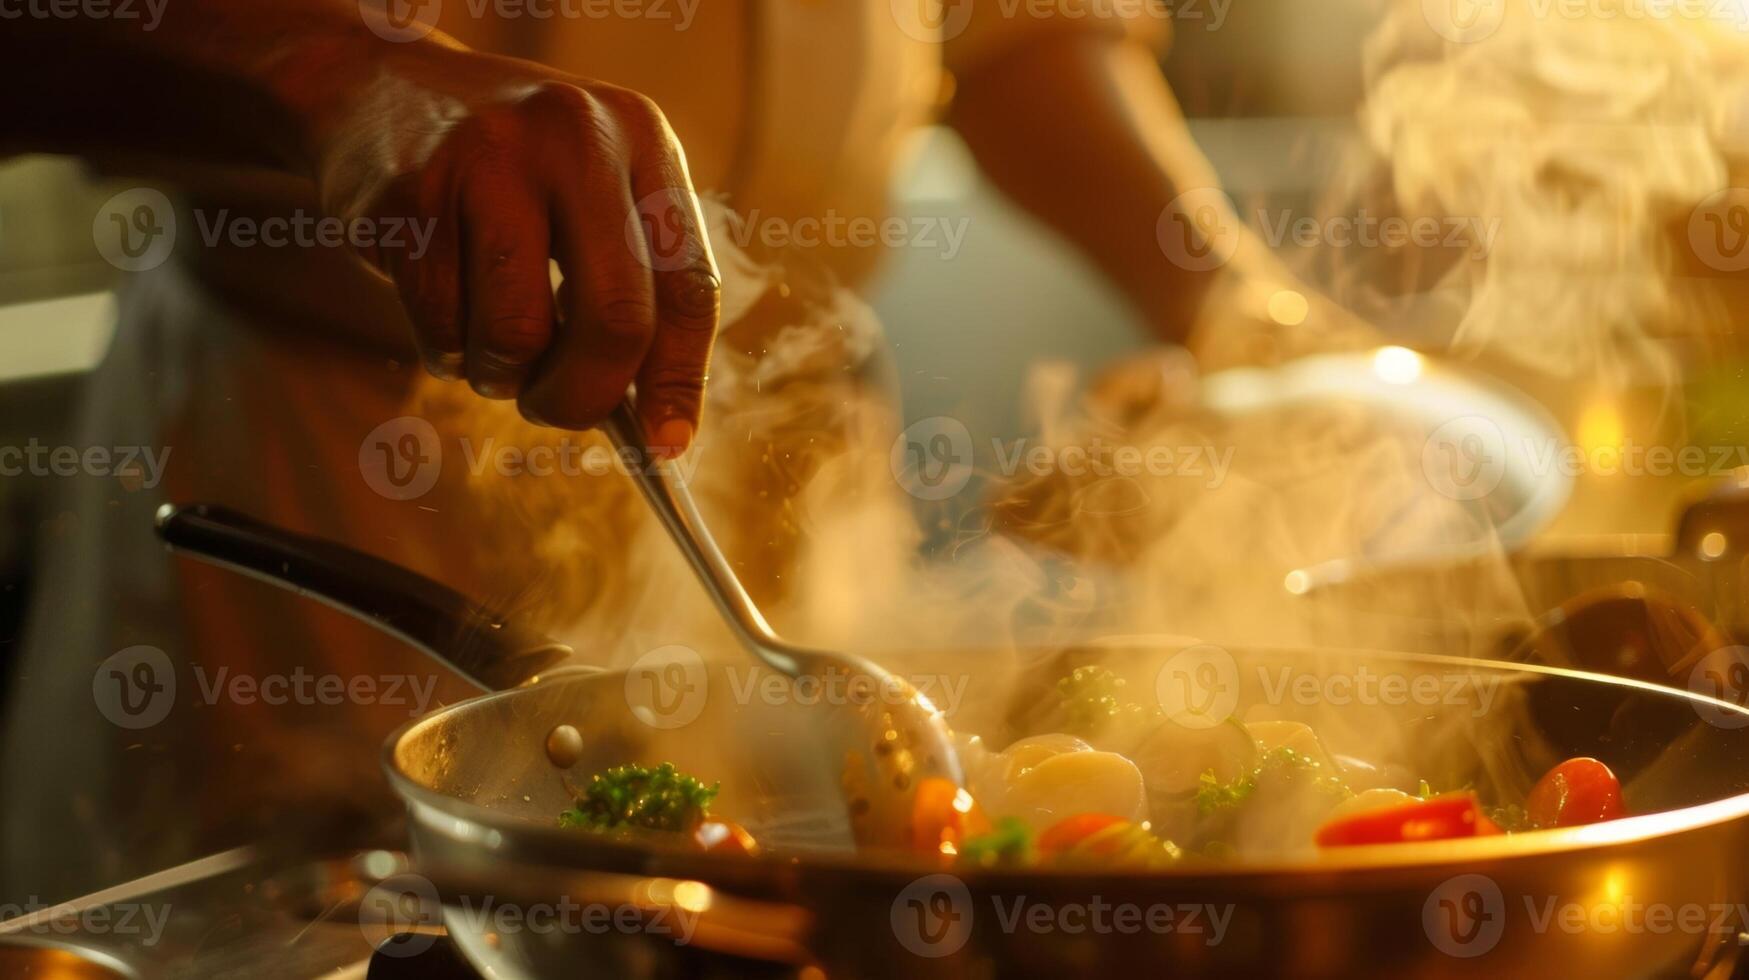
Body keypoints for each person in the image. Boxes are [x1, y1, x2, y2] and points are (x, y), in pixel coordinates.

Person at [0, 0, 1359, 902]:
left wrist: (1230, 309)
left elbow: (1010, 30)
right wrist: (336, 72)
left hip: (795, 454)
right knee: (338, 916)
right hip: (328, 453)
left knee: (812, 887)